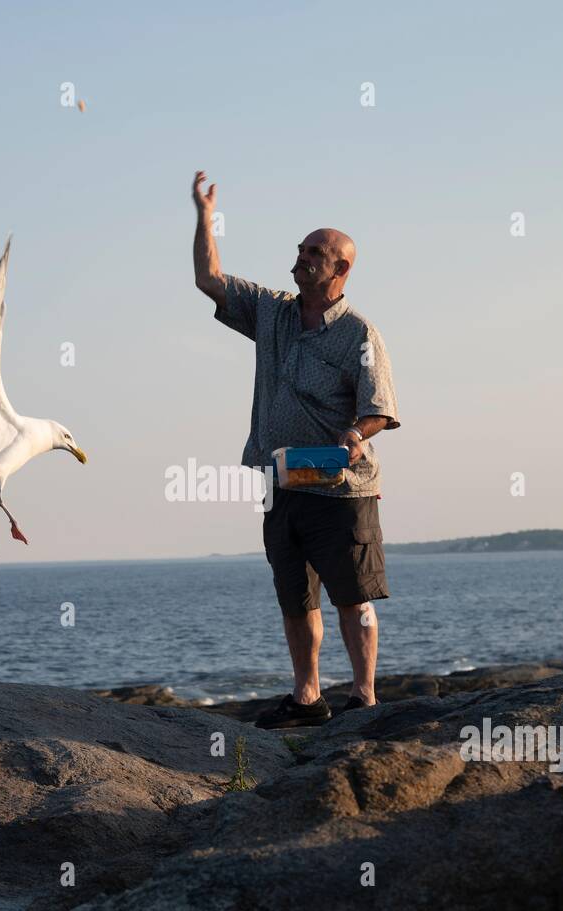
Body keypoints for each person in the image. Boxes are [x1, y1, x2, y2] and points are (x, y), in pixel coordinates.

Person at [191, 170, 401, 728]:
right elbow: (208, 279)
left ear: (341, 268)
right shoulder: (272, 312)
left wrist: (355, 436)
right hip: (280, 482)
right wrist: (204, 216)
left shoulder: (358, 333)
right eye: (302, 249)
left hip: (339, 487)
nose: (303, 257)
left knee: (353, 597)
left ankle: (364, 697)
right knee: (296, 597)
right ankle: (307, 698)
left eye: (316, 252)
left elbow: (378, 407)